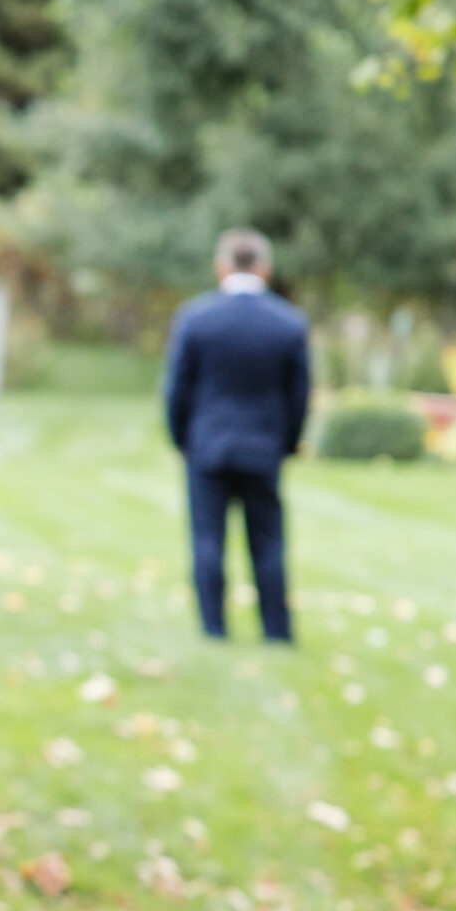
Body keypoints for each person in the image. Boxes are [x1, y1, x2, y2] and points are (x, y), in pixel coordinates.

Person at [164, 227, 310, 642]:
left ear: (221, 267)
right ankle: (276, 630)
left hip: (206, 444)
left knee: (207, 538)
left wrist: (181, 437)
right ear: (264, 268)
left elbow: (177, 388)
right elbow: (299, 395)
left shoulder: (196, 318)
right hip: (264, 446)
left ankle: (213, 627)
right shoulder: (288, 322)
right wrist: (287, 442)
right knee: (268, 541)